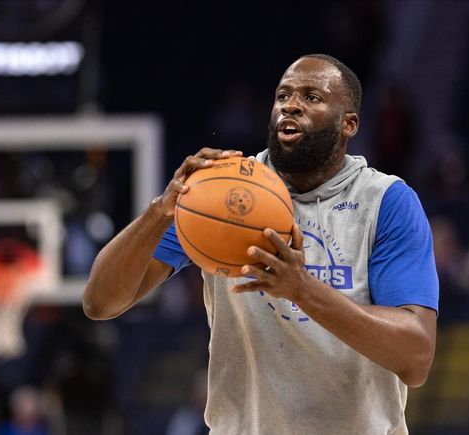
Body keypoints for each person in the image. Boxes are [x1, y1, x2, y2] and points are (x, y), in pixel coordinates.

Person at [83, 54, 439, 434]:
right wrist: (160, 211)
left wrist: (303, 290)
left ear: (348, 124)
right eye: (283, 95)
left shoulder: (385, 201)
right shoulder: (220, 194)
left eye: (312, 97)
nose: (291, 105)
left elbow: (415, 357)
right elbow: (100, 302)